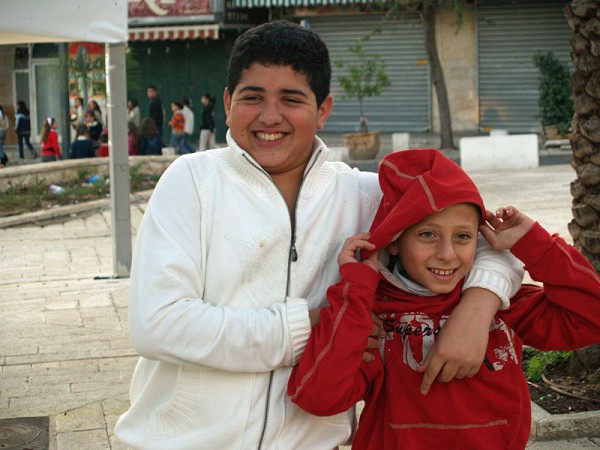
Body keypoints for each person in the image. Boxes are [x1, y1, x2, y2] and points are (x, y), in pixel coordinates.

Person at [114, 21, 522, 449]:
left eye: (291, 99)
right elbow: (157, 325)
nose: (269, 117)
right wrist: (311, 327)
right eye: (253, 97)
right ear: (229, 103)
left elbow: (485, 239)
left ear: (323, 109)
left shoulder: (363, 194)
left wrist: (477, 309)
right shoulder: (192, 182)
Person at [288, 149, 600, 450]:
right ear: (393, 241)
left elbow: (591, 318)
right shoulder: (374, 314)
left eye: (463, 236)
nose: (447, 254)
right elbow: (319, 398)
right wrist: (355, 292)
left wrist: (535, 244)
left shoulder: (502, 302)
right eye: (428, 235)